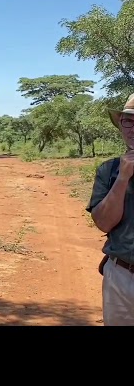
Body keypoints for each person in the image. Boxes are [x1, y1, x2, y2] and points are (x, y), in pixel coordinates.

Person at [87, 92, 134, 325]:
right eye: (129, 121)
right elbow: (104, 223)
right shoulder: (109, 170)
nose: (133, 129)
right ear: (121, 126)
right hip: (121, 276)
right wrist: (123, 178)